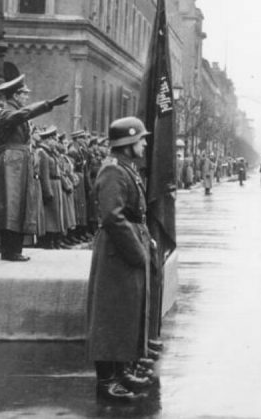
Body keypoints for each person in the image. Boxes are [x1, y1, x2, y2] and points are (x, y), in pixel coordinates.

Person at [87, 116, 155, 402]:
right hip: (117, 251)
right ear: (127, 143)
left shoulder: (126, 167)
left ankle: (121, 371)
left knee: (125, 313)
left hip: (124, 247)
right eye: (140, 139)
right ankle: (106, 383)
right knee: (110, 316)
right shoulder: (114, 171)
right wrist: (137, 252)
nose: (145, 143)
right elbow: (113, 217)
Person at [0, 74, 68, 261]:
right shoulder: (5, 111)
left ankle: (14, 249)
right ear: (15, 95)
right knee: (12, 205)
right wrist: (46, 105)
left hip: (18, 161)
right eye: (24, 94)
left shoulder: (12, 110)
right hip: (12, 162)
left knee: (20, 205)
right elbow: (19, 116)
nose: (26, 98)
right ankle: (9, 250)